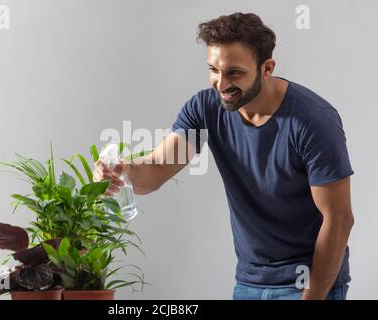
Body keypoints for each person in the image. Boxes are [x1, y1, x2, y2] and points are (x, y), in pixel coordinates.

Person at [93, 12, 354, 300]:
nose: (220, 84)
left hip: (309, 284)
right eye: (214, 70)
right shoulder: (206, 108)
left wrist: (313, 296)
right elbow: (154, 172)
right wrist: (121, 172)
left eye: (234, 73)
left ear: (267, 68)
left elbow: (339, 219)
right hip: (248, 283)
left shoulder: (313, 121)